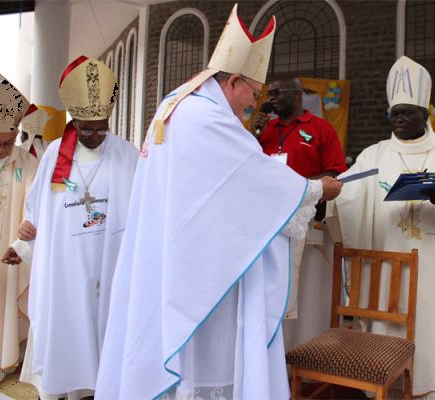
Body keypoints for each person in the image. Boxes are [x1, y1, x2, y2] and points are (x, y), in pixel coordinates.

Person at [94, 5, 342, 400]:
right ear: (233, 81)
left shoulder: (176, 105)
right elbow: (253, 179)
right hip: (201, 268)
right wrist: (315, 190)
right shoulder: (208, 118)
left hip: (177, 254)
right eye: (254, 94)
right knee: (206, 353)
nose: (254, 105)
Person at [328, 56, 435, 399]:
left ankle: (434, 386)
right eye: (394, 112)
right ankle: (391, 386)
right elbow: (346, 193)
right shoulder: (374, 155)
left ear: (425, 115)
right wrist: (324, 197)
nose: (398, 118)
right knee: (389, 324)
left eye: (406, 112)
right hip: (387, 266)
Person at [3, 56, 138, 399]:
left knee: (105, 332)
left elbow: (145, 207)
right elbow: (39, 210)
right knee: (68, 329)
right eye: (85, 128)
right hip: (66, 267)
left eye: (100, 127)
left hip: (109, 262)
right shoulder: (54, 157)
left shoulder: (127, 155)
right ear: (74, 122)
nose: (94, 135)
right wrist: (24, 242)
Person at [251, 75, 347, 351]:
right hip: (267, 226)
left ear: (297, 95)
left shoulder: (320, 129)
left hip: (305, 224)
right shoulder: (265, 131)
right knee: (271, 290)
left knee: (304, 290)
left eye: (278, 93)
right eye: (270, 94)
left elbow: (333, 173)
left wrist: (297, 187)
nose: (271, 99)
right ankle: (269, 351)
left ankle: (306, 350)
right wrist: (252, 133)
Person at [0, 73, 37, 386]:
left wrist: (30, 225)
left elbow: (38, 202)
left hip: (9, 253)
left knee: (3, 301)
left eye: (7, 142)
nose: (0, 149)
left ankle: (1, 362)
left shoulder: (28, 163)